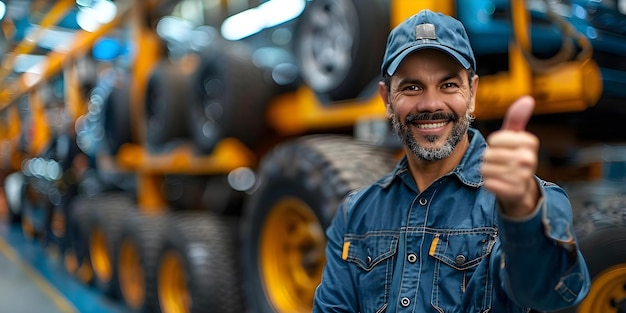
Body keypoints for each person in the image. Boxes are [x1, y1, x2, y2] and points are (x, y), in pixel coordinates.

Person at [312, 9, 590, 313]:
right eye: (411, 87)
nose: (431, 104)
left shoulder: (537, 202)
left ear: (472, 94)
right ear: (387, 99)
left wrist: (521, 214)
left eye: (448, 85)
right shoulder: (355, 214)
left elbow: (552, 294)